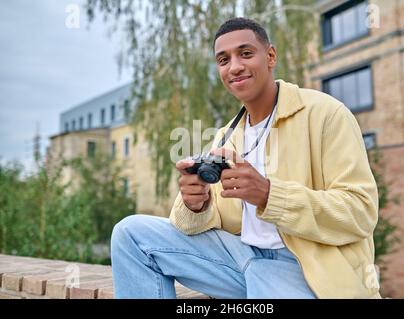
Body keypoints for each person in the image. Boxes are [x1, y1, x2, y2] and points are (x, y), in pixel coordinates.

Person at [111, 17, 381, 299]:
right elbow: (200, 226)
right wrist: (196, 205)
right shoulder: (226, 136)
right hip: (241, 260)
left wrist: (268, 195)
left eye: (246, 53)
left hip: (306, 270)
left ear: (270, 56)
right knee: (130, 234)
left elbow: (360, 212)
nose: (235, 66)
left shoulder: (326, 114)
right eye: (223, 60)